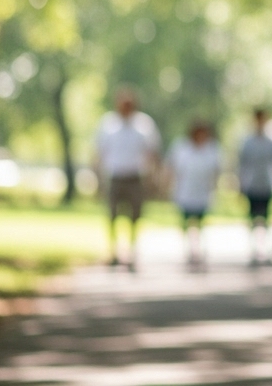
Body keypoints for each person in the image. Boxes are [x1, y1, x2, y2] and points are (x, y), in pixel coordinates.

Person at [93, 87, 160, 271]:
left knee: (135, 216)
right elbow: (99, 152)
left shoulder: (144, 125)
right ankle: (114, 251)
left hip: (135, 177)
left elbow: (152, 153)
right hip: (114, 176)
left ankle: (132, 250)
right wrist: (97, 177)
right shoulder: (107, 125)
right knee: (112, 215)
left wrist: (154, 178)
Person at [166, 120, 223, 269]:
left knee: (201, 221)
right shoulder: (181, 147)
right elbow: (172, 167)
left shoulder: (212, 149)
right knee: (186, 221)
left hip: (203, 191)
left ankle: (200, 249)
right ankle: (188, 249)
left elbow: (217, 169)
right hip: (185, 190)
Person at [237, 107, 272, 266]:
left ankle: (268, 250)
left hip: (266, 183)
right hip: (251, 184)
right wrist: (240, 183)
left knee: (266, 218)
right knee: (253, 218)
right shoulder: (247, 142)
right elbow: (241, 164)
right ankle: (253, 250)